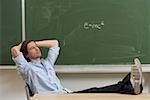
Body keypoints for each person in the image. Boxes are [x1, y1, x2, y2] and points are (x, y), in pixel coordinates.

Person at [11, 39, 143, 96]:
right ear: (26, 54)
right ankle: (128, 85)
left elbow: (54, 43)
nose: (37, 48)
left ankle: (129, 88)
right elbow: (14, 50)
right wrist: (25, 44)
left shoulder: (47, 63)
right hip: (52, 98)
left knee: (96, 92)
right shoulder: (27, 69)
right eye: (32, 49)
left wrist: (33, 42)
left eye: (36, 46)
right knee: (95, 92)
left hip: (65, 95)